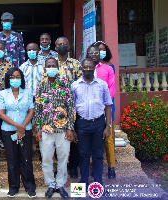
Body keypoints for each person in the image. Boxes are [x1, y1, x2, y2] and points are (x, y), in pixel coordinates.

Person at [34, 58, 75, 199]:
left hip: (63, 129)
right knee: (46, 158)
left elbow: (70, 106)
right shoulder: (41, 85)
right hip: (45, 129)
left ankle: (60, 184)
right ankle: (50, 184)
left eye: (53, 66)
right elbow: (38, 109)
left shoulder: (65, 83)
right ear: (45, 69)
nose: (51, 68)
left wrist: (70, 128)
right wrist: (38, 129)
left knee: (63, 158)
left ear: (58, 67)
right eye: (48, 66)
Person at [71, 58, 112, 186]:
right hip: (82, 124)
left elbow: (108, 106)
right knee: (83, 155)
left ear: (94, 68)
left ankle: (98, 183)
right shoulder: (75, 85)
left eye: (90, 67)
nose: (88, 69)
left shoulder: (102, 84)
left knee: (98, 155)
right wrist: (73, 128)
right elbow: (71, 108)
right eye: (85, 67)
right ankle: (83, 182)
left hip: (98, 123)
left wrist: (108, 126)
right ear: (81, 69)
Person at [0, 68, 36, 198]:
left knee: (26, 159)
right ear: (8, 79)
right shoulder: (3, 94)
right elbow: (1, 113)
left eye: (18, 76)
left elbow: (31, 111)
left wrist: (23, 126)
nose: (15, 79)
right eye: (12, 77)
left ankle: (30, 187)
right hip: (8, 131)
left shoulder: (27, 92)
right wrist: (17, 126)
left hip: (26, 129)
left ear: (22, 78)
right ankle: (13, 187)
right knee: (12, 160)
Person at [87, 43, 116, 179]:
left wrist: (104, 102)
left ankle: (111, 167)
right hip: (89, 109)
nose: (94, 55)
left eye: (97, 52)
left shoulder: (107, 68)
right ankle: (94, 166)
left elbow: (112, 88)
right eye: (92, 52)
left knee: (108, 137)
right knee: (92, 138)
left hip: (105, 107)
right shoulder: (85, 68)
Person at [54, 37, 82, 179]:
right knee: (58, 137)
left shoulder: (76, 64)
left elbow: (82, 85)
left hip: (72, 106)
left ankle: (73, 166)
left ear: (69, 48)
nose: (62, 46)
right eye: (60, 44)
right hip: (56, 108)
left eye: (65, 44)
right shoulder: (51, 64)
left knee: (74, 137)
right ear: (55, 47)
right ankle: (59, 166)